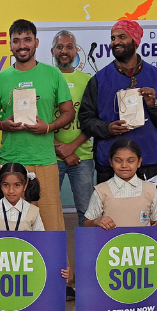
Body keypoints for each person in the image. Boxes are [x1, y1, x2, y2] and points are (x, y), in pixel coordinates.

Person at [0, 19, 74, 231]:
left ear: (36, 42)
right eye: (16, 41)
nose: (22, 45)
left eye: (27, 40)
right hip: (10, 161)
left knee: (50, 224)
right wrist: (4, 124)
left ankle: (53, 256)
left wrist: (48, 127)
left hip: (45, 160)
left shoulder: (53, 74)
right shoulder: (0, 79)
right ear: (10, 44)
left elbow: (69, 112)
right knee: (11, 224)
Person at [79, 20, 157, 184]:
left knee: (147, 202)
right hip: (110, 162)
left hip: (147, 160)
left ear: (135, 41)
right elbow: (85, 120)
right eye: (113, 38)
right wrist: (107, 128)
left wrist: (153, 105)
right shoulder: (99, 79)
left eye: (122, 37)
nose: (115, 42)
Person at [50, 30, 94, 228]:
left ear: (76, 51)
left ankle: (89, 248)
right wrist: (60, 148)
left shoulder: (88, 80)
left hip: (82, 156)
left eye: (69, 47)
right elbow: (36, 119)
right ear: (52, 51)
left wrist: (70, 148)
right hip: (50, 155)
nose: (64, 51)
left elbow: (93, 120)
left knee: (87, 212)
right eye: (59, 47)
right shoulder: (44, 78)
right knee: (47, 210)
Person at [84, 139, 157, 229]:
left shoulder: (150, 190)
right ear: (111, 162)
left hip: (141, 239)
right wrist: (97, 221)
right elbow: (86, 223)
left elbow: (155, 221)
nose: (124, 165)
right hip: (110, 239)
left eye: (130, 161)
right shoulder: (101, 191)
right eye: (118, 160)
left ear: (139, 162)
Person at [0, 162, 44, 231]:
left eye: (17, 185)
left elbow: (40, 236)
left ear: (25, 185)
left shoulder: (33, 211)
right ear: (0, 184)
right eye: (6, 185)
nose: (11, 191)